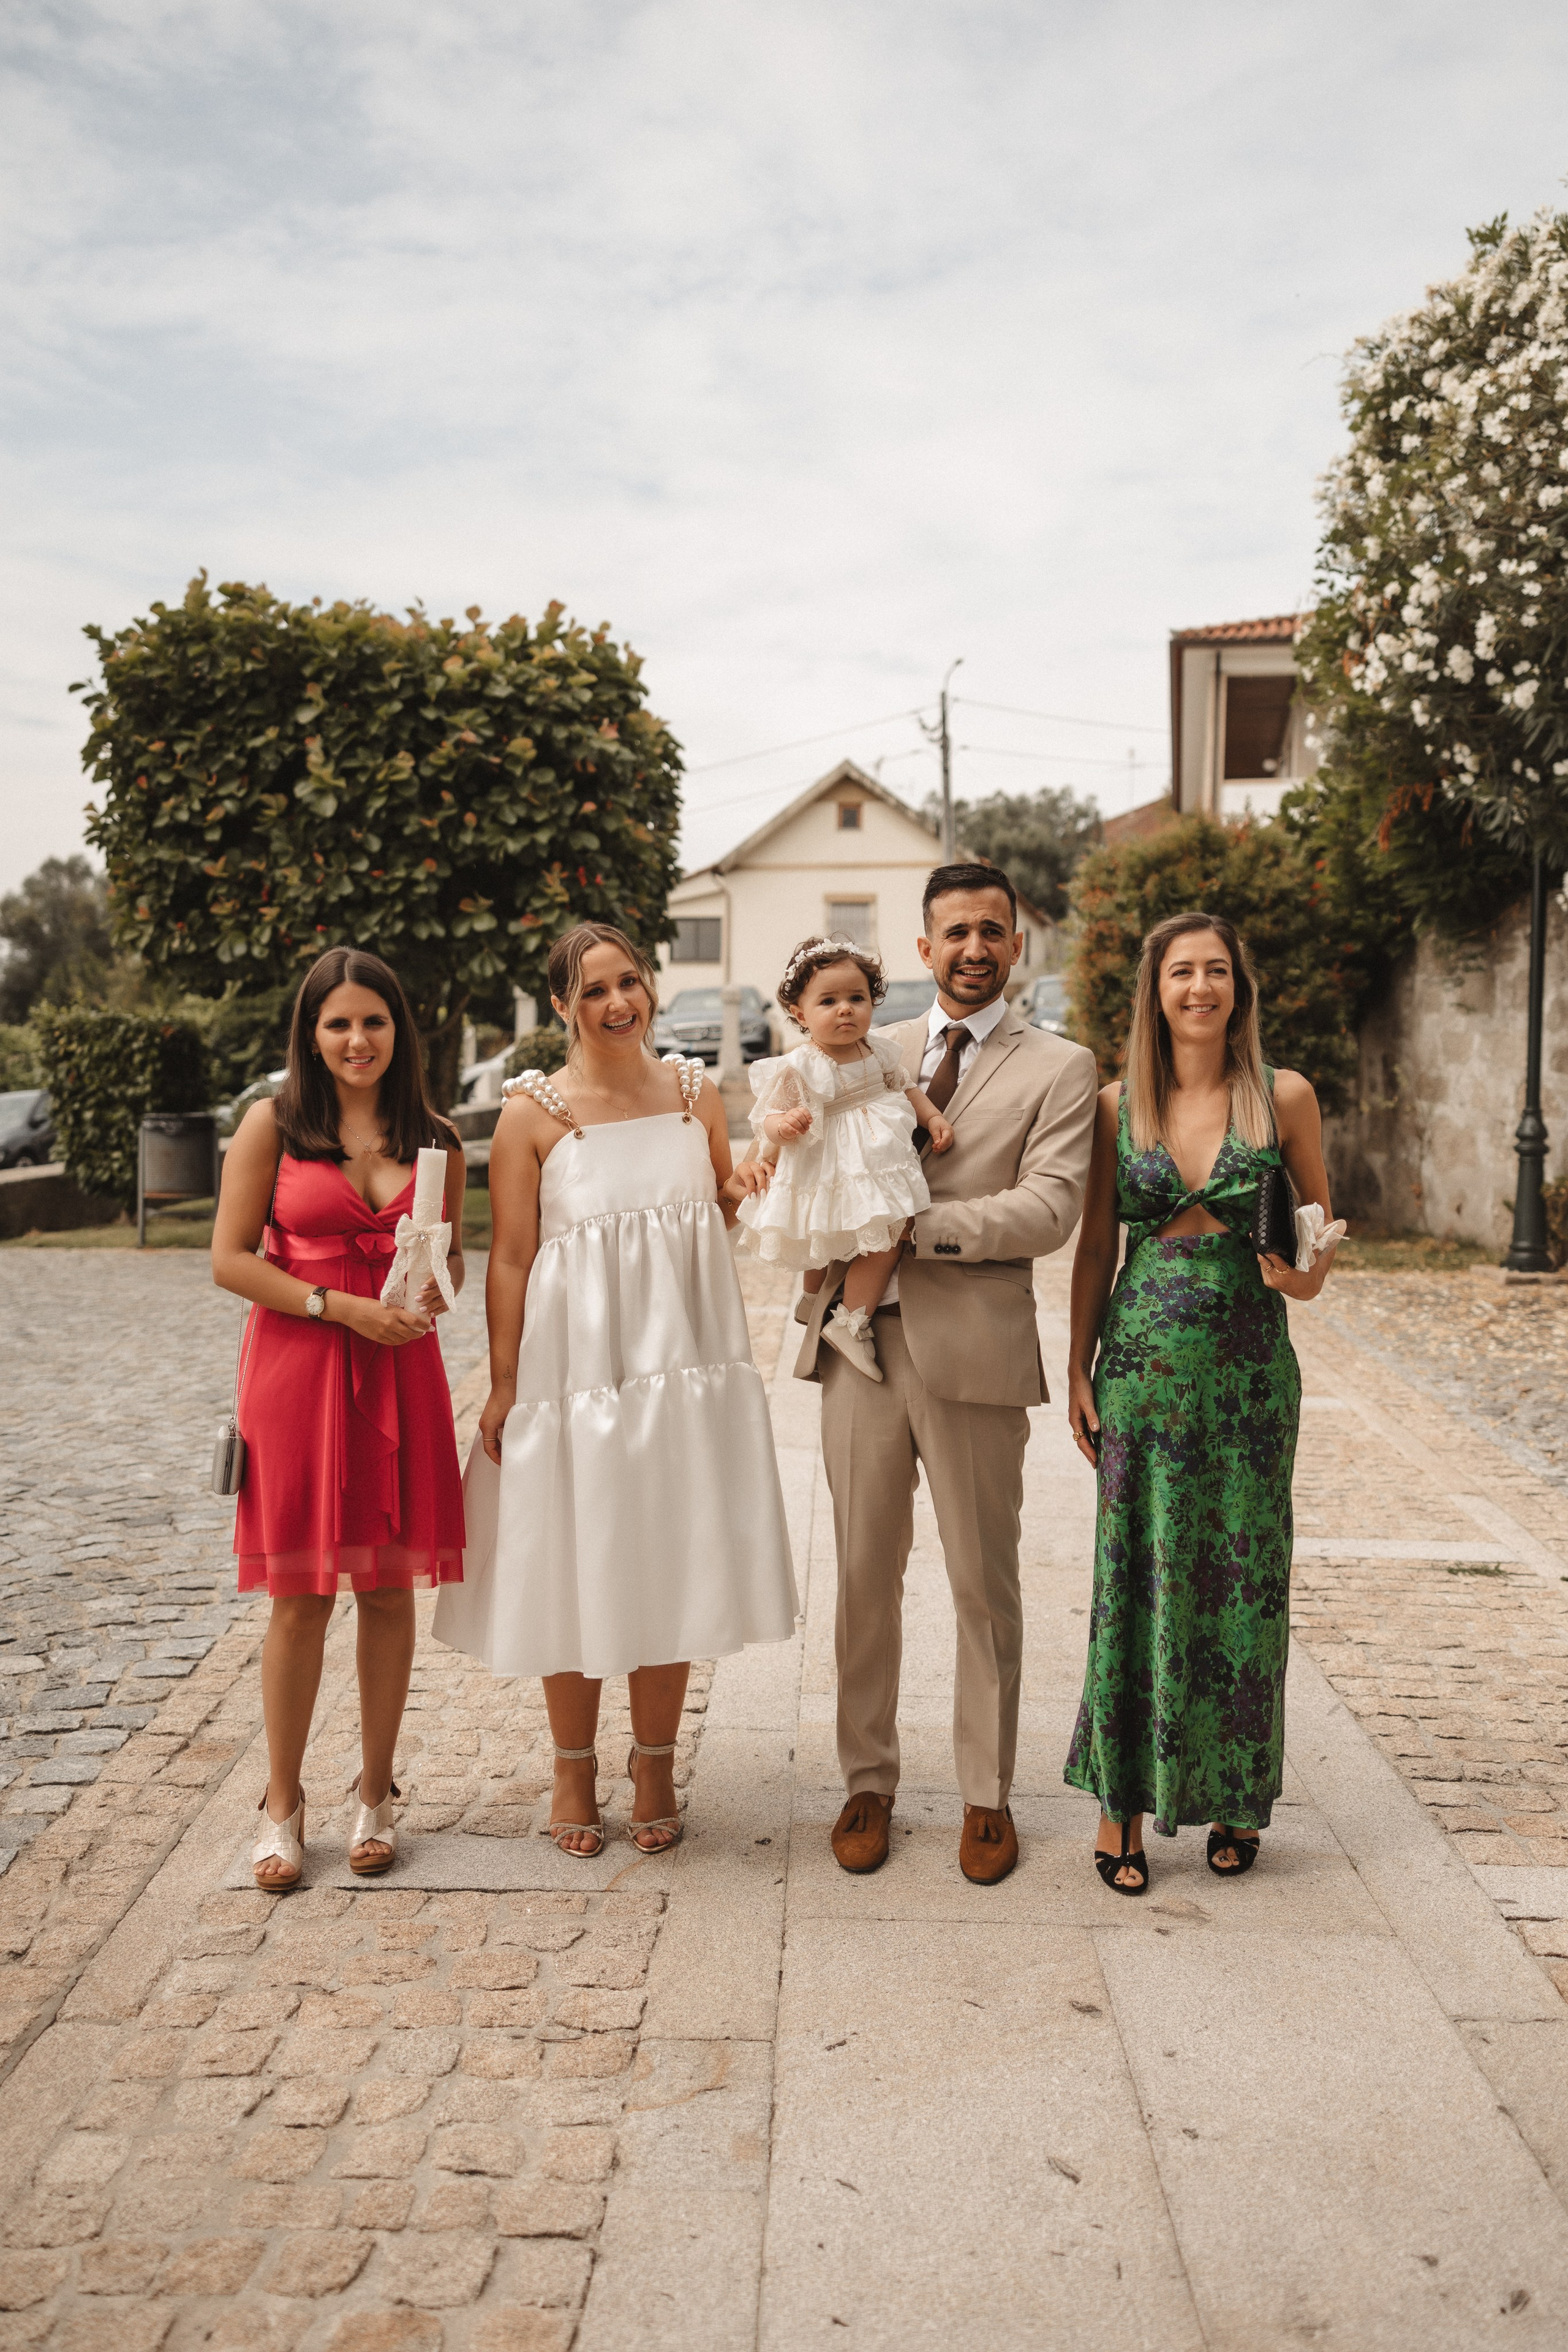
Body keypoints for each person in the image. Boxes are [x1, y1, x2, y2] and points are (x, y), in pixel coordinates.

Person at [432, 922, 797, 1857]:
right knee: (578, 1557)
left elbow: (716, 1200)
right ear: (561, 1004)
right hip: (574, 1372)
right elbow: (511, 1257)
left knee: (670, 1556)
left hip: (683, 1364)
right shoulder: (531, 1115)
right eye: (592, 990)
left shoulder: (694, 1092)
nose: (616, 1003)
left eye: (627, 981)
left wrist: (747, 1179)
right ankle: (570, 1767)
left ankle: (655, 1763)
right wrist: (505, 1384)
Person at [795, 862, 1099, 1885]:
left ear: (1019, 946)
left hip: (976, 1352)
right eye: (954, 931)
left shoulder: (1061, 1068)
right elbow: (803, 1166)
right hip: (859, 1348)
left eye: (993, 931)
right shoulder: (860, 1045)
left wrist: (908, 1228)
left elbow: (1049, 1209)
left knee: (983, 1584)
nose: (974, 947)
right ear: (923, 950)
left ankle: (986, 1796)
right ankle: (867, 1780)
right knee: (859, 1579)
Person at [1062, 910, 1338, 1894]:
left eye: (1217, 971)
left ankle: (1234, 1797)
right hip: (1139, 1367)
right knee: (1134, 1574)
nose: (1200, 988)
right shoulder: (1113, 1104)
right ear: (1156, 989)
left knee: (1243, 1575)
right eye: (1182, 972)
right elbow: (1097, 1245)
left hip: (1250, 1375)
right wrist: (1077, 1365)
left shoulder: (1285, 1097)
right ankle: (1119, 1806)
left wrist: (1301, 1280)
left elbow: (1316, 1239)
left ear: (1239, 988)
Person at [212, 946, 467, 1893]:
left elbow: (453, 1266)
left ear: (400, 1029)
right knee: (302, 1597)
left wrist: (430, 1292)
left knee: (392, 1589)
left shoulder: (436, 1136)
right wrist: (340, 1307)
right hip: (299, 1369)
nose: (358, 1039)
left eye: (374, 1021)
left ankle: (376, 1792)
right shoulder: (270, 1127)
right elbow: (231, 1261)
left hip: (402, 1374)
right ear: (310, 1035)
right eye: (338, 1023)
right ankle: (283, 1802)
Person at [735, 935, 955, 1378]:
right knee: (823, 1229)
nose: (845, 1009)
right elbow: (768, 1119)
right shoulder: (803, 1064)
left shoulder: (877, 1049)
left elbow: (906, 1088)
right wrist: (787, 1123)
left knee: (888, 1230)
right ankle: (820, 1303)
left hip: (874, 1162)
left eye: (857, 998)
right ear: (800, 1014)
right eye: (829, 1001)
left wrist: (932, 1118)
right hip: (827, 1163)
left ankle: (849, 1318)